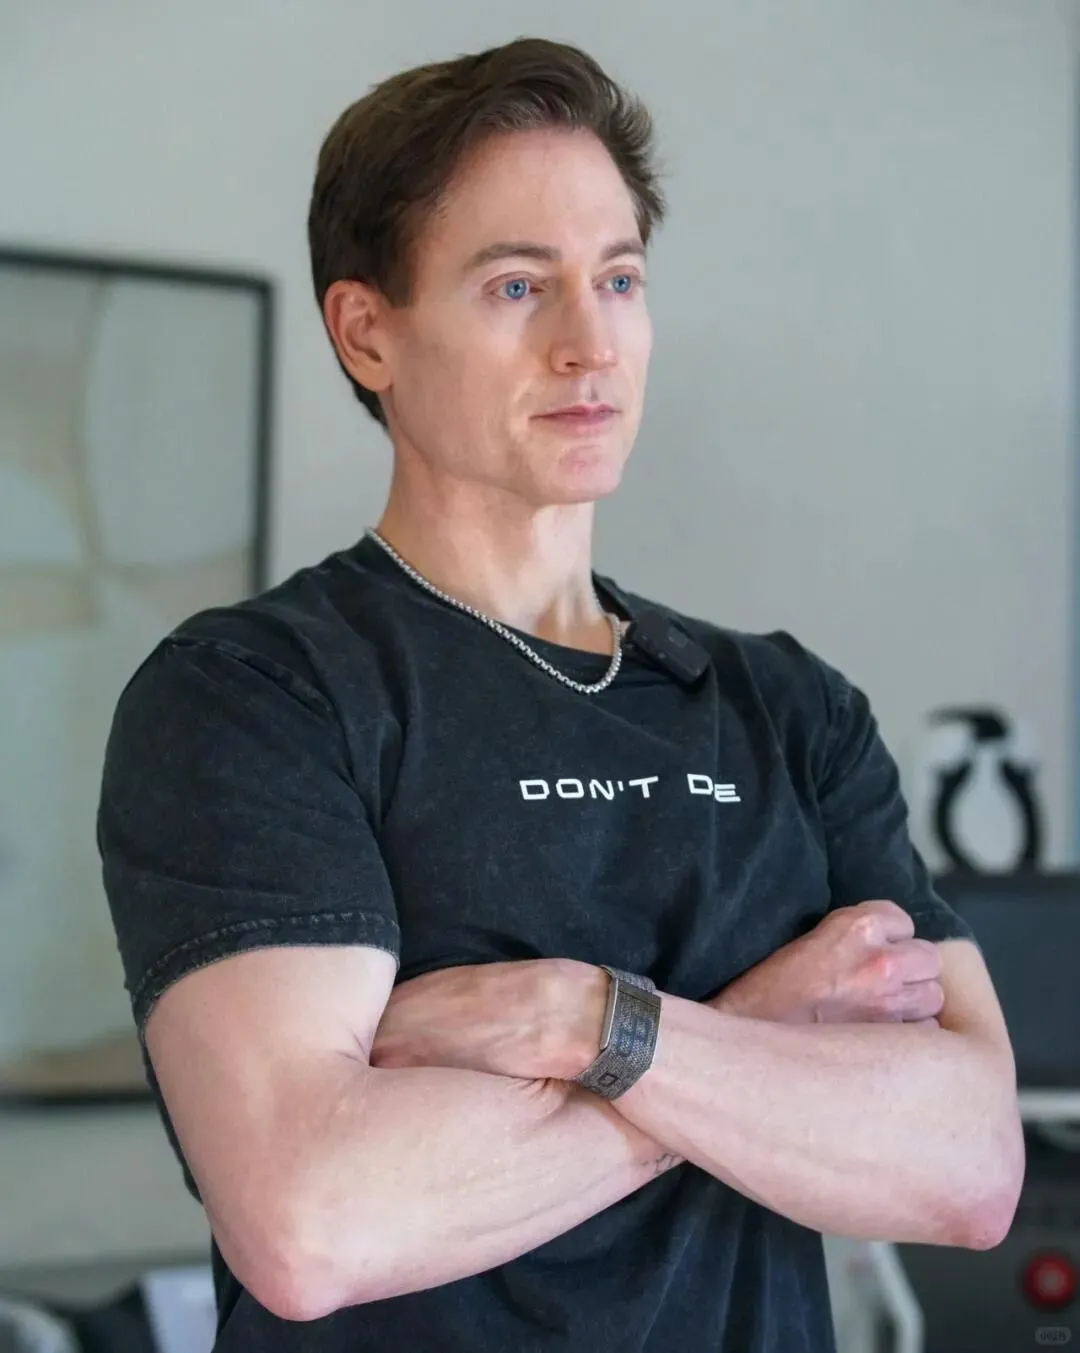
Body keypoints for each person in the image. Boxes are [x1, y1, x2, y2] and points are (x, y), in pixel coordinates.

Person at [97, 36, 1024, 1353]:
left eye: (620, 279)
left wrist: (578, 1020)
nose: (591, 344)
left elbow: (972, 1166)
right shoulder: (256, 696)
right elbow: (315, 1225)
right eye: (518, 285)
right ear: (368, 331)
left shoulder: (788, 709)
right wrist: (753, 1032)